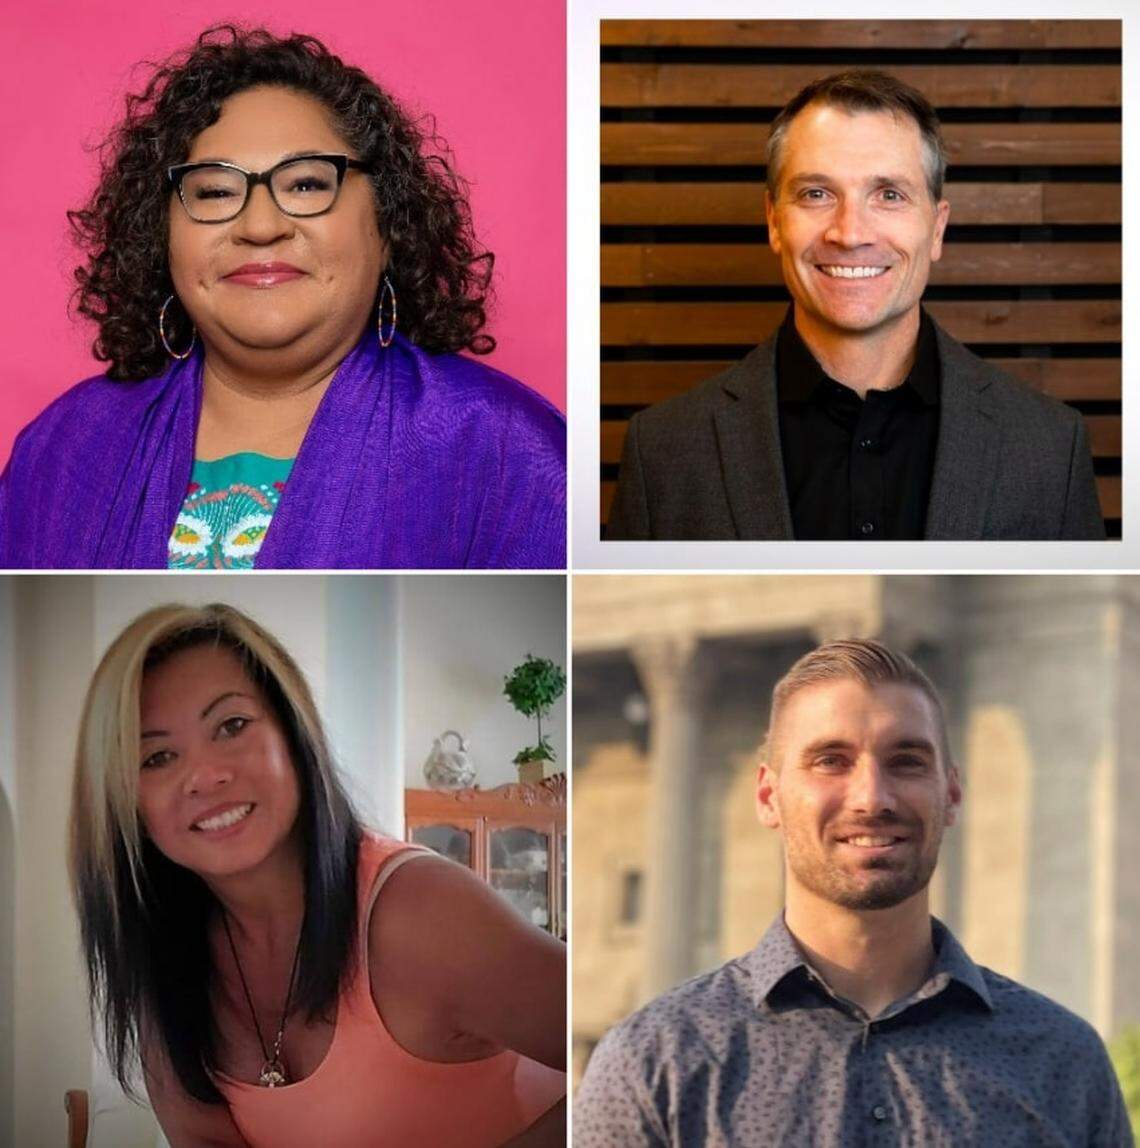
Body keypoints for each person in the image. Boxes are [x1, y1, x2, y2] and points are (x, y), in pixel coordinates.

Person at [0, 26, 565, 569]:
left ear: (389, 226)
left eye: (306, 184)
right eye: (217, 191)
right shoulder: (63, 448)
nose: (261, 224)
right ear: (161, 236)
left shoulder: (507, 452)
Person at [574, 639, 1131, 1145]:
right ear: (769, 796)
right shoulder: (654, 1065)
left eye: (906, 762)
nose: (871, 797)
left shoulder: (1063, 1062)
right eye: (830, 761)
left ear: (952, 794)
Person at [70, 603, 566, 1147]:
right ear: (124, 804)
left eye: (232, 725)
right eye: (157, 758)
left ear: (294, 732)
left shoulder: (420, 913)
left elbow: (657, 1046)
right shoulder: (168, 969)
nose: (205, 775)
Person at [606, 71, 1104, 542]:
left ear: (936, 228)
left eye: (888, 194)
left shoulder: (1050, 446)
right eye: (817, 193)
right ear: (775, 223)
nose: (850, 233)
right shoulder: (664, 451)